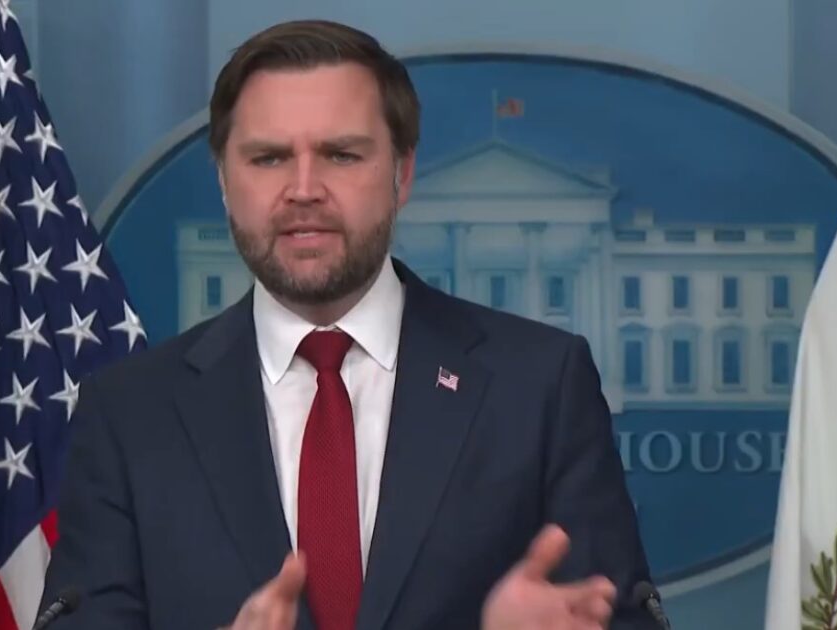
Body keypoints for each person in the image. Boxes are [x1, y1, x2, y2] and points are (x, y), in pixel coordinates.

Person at [39, 19, 660, 630]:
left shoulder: (540, 386)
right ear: (225, 182)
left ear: (401, 175)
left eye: (341, 154)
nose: (303, 189)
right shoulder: (129, 415)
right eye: (269, 157)